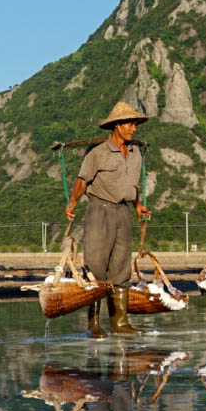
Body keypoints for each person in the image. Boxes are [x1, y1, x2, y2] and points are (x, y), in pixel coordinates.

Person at [66, 100, 152, 337]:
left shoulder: (135, 153)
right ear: (116, 125)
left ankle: (120, 323)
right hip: (99, 211)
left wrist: (138, 205)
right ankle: (93, 325)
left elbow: (131, 185)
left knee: (121, 269)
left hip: (122, 212)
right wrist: (72, 202)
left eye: (135, 124)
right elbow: (82, 181)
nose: (133, 128)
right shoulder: (98, 153)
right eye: (129, 124)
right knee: (96, 267)